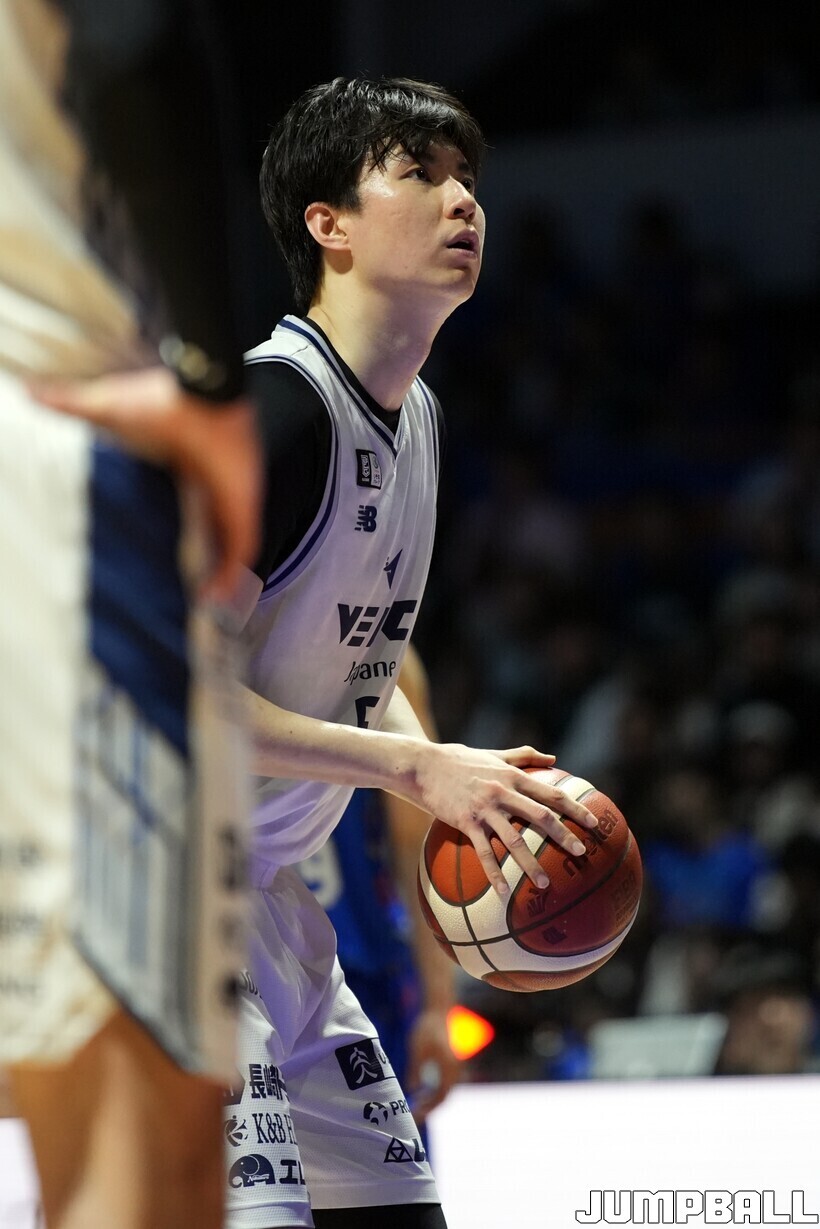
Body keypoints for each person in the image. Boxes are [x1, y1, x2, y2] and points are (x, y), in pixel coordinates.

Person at [223, 77, 599, 1229]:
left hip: (271, 900)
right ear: (327, 225)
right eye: (419, 175)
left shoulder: (416, 414)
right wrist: (416, 771)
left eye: (466, 176)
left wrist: (455, 780)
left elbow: (354, 660)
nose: (461, 199)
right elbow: (156, 690)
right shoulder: (274, 416)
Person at [0, 2, 262, 1227]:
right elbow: (131, 36)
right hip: (58, 452)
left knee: (161, 1138)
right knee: (134, 1136)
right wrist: (212, 377)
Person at [296, 645, 460, 1129]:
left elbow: (417, 841)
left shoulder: (385, 649)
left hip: (360, 973)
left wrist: (438, 1006)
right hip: (254, 965)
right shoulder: (210, 626)